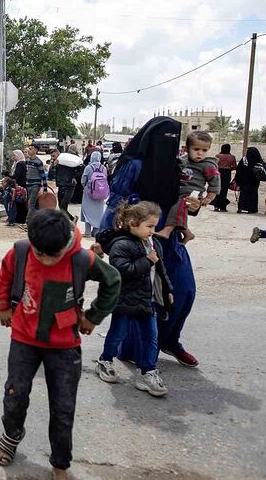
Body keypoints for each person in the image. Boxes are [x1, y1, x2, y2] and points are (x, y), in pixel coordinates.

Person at [0, 209, 120, 479]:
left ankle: (60, 462)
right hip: (23, 338)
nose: (47, 260)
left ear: (67, 244)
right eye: (41, 254)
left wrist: (93, 316)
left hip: (64, 344)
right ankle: (11, 435)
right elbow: (4, 277)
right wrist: (3, 306)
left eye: (54, 255)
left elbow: (113, 282)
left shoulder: (82, 259)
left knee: (62, 407)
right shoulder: (21, 251)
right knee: (15, 395)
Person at [100, 116, 201, 369]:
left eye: (174, 139)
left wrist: (195, 205)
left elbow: (183, 197)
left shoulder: (178, 166)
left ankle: (169, 340)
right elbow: (117, 201)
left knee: (184, 290)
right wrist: (106, 237)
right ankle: (134, 350)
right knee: (143, 297)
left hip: (170, 239)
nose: (169, 144)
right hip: (140, 240)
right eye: (164, 138)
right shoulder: (134, 164)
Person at [95, 200, 173, 397]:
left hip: (147, 300)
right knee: (118, 333)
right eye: (149, 226)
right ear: (132, 223)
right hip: (125, 300)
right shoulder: (120, 245)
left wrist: (167, 290)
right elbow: (122, 271)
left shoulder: (152, 243)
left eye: (155, 226)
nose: (152, 230)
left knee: (150, 336)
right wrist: (147, 261)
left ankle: (147, 372)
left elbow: (160, 271)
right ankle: (105, 360)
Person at [154, 131, 219, 243]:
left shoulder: (208, 165)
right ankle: (187, 233)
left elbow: (215, 183)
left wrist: (208, 198)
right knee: (175, 210)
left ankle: (167, 230)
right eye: (196, 149)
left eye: (204, 150)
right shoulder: (183, 161)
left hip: (192, 193)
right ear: (187, 148)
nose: (200, 153)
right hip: (179, 191)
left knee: (178, 206)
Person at [80, 151, 107, 238]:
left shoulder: (88, 167)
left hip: (89, 192)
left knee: (87, 211)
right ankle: (95, 231)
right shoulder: (103, 168)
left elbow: (83, 180)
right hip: (101, 192)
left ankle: (87, 232)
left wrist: (86, 187)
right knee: (98, 212)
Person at [235, 147, 264, 214]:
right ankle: (252, 209)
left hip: (244, 180)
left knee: (243, 193)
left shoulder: (244, 160)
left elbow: (239, 170)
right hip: (255, 180)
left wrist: (238, 180)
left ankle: (242, 208)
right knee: (253, 193)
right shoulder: (258, 160)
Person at [54, 149, 82, 215]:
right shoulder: (59, 163)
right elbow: (52, 175)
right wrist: (53, 166)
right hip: (61, 185)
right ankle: (70, 220)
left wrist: (74, 176)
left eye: (53, 156)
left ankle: (71, 220)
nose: (52, 158)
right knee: (61, 207)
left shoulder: (71, 162)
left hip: (69, 186)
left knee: (63, 206)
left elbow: (81, 169)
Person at [211, 144, 237, 212]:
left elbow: (214, 165)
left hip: (218, 173)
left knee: (217, 189)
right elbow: (234, 167)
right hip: (227, 174)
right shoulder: (232, 157)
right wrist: (229, 169)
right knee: (224, 190)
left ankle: (216, 206)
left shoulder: (218, 156)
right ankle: (223, 207)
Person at [25, 146, 47, 223]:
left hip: (36, 184)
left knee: (31, 203)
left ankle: (28, 221)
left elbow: (43, 175)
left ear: (36, 150)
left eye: (31, 149)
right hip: (29, 184)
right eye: (29, 148)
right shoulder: (27, 161)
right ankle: (37, 219)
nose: (29, 150)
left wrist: (45, 188)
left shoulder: (38, 162)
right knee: (34, 203)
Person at [11, 149, 29, 223]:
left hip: (20, 185)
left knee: (20, 202)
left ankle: (20, 219)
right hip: (20, 185)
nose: (13, 157)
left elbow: (17, 175)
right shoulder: (18, 163)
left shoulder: (20, 164)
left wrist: (9, 177)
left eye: (14, 155)